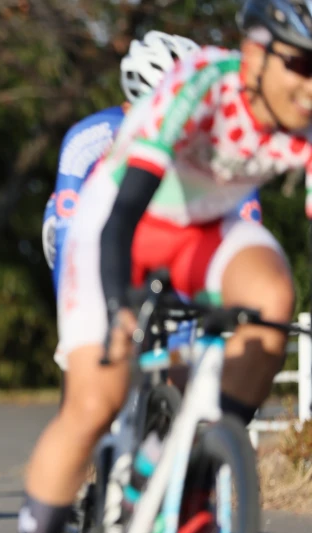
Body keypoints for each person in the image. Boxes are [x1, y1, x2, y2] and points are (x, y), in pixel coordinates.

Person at [0, 3, 312, 533]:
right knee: (95, 401)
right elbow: (124, 210)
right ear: (255, 56)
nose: (311, 87)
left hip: (207, 227)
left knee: (272, 300)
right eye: (301, 66)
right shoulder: (202, 85)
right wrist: (119, 307)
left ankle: (195, 483)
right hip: (120, 222)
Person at [43, 32, 263, 373]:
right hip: (95, 225)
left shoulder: (210, 135)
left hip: (169, 228)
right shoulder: (90, 136)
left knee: (181, 360)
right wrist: (72, 325)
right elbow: (66, 225)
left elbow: (247, 210)